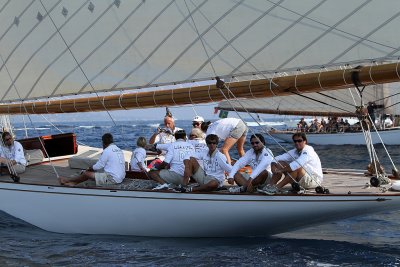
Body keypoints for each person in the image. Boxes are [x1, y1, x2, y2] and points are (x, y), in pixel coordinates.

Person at [59, 133, 126, 186]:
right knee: (93, 174)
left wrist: (90, 168)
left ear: (103, 142)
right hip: (120, 177)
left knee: (86, 174)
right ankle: (72, 182)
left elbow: (99, 166)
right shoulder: (119, 149)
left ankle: (68, 181)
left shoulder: (107, 151)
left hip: (112, 178)